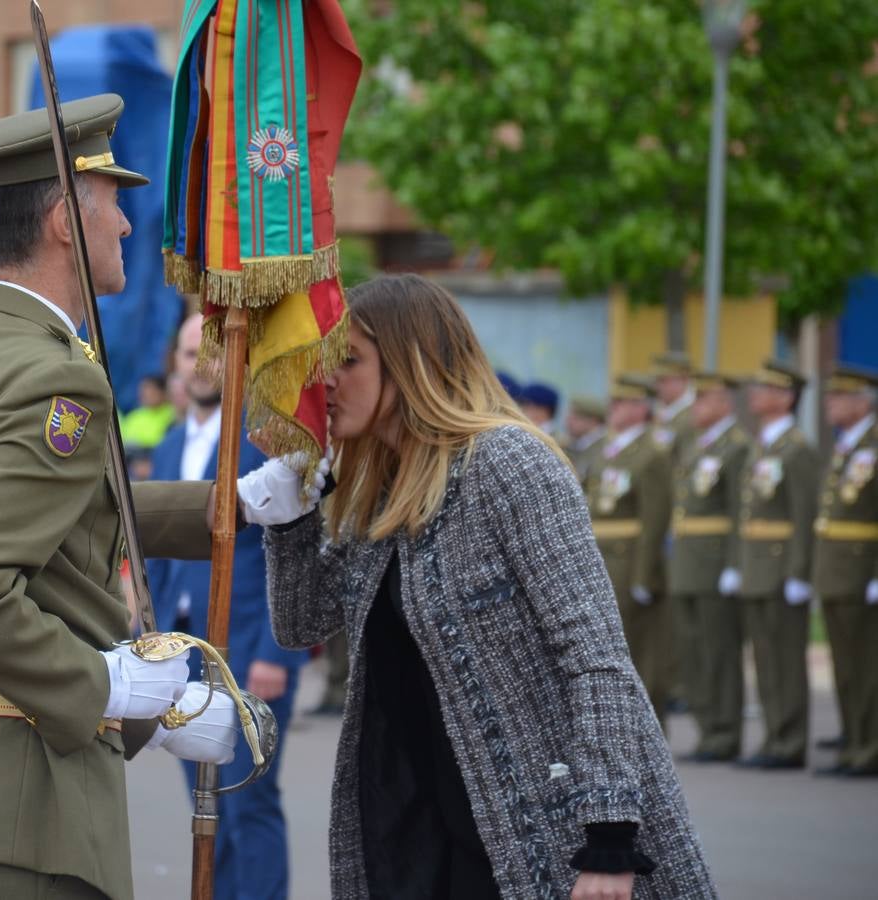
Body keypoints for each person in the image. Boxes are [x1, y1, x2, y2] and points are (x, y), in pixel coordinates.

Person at [0, 94, 319, 900]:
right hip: (21, 810)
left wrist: (232, 504)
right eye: (113, 201)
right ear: (62, 218)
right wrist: (111, 691)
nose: (125, 226)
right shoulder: (56, 375)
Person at [262, 274, 714, 899]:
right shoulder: (376, 488)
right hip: (415, 834)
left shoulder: (507, 464)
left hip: (537, 829)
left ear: (411, 361)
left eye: (349, 360)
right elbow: (301, 624)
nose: (326, 380)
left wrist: (610, 837)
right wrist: (289, 513)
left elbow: (596, 658)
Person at [147, 312, 307, 900]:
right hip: (184, 656)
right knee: (204, 800)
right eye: (191, 354)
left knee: (249, 800)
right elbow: (157, 557)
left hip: (248, 651)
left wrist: (277, 654)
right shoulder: (168, 446)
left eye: (213, 354)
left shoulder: (264, 442)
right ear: (176, 366)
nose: (202, 366)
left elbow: (285, 554)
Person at [722, 359, 817, 769]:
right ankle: (774, 738)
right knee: (764, 659)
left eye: (764, 389)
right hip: (757, 567)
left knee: (784, 660)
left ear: (785, 397)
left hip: (780, 569)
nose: (754, 396)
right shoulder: (763, 446)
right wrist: (739, 564)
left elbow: (804, 515)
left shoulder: (797, 449)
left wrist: (799, 572)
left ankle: (789, 741)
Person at [668, 373, 750, 762]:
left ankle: (725, 732)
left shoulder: (736, 447)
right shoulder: (697, 444)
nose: (696, 408)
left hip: (716, 563)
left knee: (719, 652)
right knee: (693, 652)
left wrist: (735, 564)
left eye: (705, 401)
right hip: (687, 563)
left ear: (724, 404)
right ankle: (707, 730)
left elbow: (739, 511)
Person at [586, 375, 673, 722]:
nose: (614, 410)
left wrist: (644, 574)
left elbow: (654, 520)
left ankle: (650, 727)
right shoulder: (609, 451)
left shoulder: (651, 454)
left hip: (630, 560)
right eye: (613, 403)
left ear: (640, 409)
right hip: (605, 559)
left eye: (622, 403)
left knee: (642, 652)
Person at [811, 364, 878, 778]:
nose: (830, 404)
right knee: (847, 667)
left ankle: (868, 749)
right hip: (838, 573)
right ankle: (854, 742)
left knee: (867, 668)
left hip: (862, 570)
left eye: (839, 397)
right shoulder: (848, 446)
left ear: (861, 402)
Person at [650, 351, 696, 468]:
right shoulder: (662, 413)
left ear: (684, 379)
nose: (657, 386)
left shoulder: (693, 415)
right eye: (656, 380)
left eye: (663, 380)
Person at [119, 373, 175, 451]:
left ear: (163, 392)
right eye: (143, 389)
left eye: (150, 389)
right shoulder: (133, 417)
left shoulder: (173, 415)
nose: (144, 393)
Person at [562, 395, 607, 486]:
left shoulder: (604, 449)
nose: (568, 421)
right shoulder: (572, 445)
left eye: (575, 417)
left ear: (592, 421)